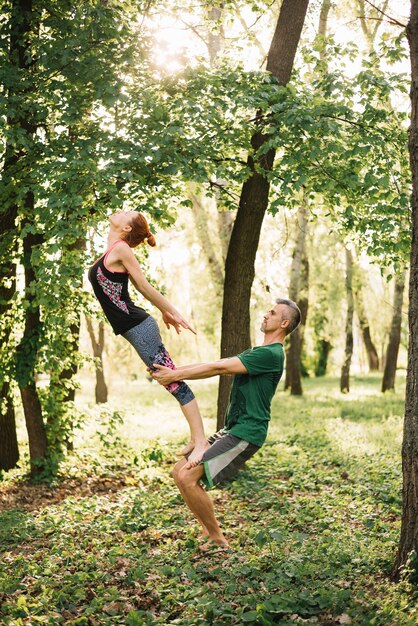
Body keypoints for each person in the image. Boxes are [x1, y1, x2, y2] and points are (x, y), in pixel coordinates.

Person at [150, 298, 301, 549]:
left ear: (284, 323)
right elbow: (214, 365)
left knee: (188, 477)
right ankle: (208, 532)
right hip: (232, 430)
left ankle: (217, 539)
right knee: (179, 472)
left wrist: (174, 374)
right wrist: (171, 370)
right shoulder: (256, 352)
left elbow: (218, 368)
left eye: (272, 313)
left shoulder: (271, 354)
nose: (265, 314)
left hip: (247, 433)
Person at [88, 210, 208, 466]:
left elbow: (143, 286)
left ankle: (200, 440)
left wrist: (170, 310)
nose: (120, 210)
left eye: (127, 213)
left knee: (171, 378)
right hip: (135, 326)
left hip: (139, 326)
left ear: (127, 229)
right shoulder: (112, 251)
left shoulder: (121, 250)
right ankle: (196, 437)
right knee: (169, 378)